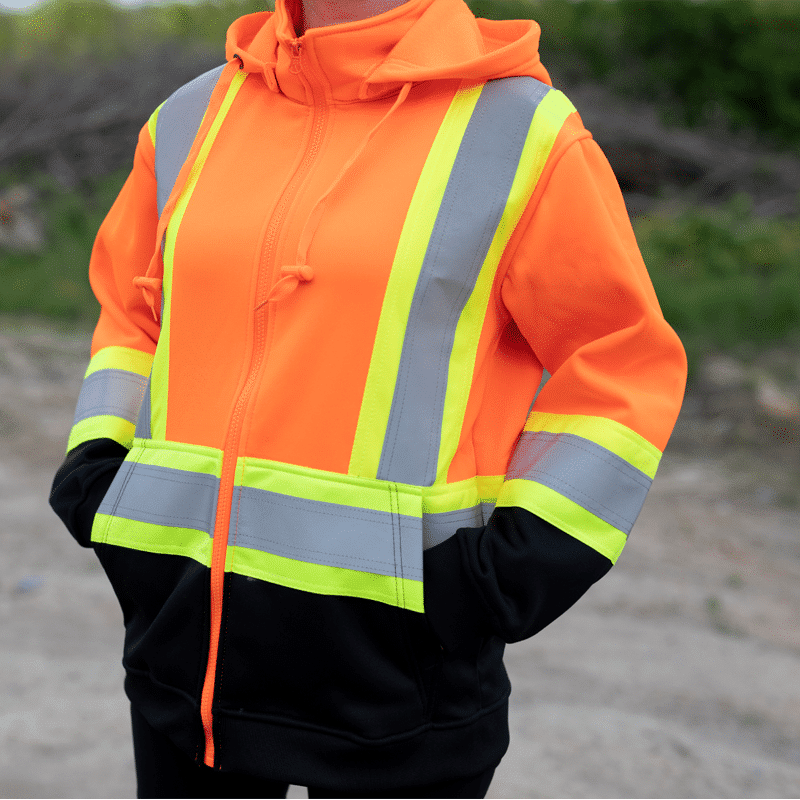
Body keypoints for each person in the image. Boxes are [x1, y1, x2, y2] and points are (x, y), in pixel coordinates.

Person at [48, 0, 688, 796]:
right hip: (185, 663)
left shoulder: (522, 133)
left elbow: (619, 360)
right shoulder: (188, 117)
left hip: (402, 684)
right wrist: (98, 465)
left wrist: (509, 571)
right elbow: (133, 312)